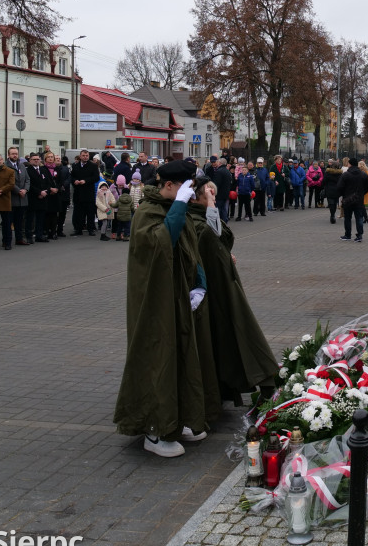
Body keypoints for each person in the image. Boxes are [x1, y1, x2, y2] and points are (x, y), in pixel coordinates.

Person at [113, 160, 219, 458]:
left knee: (182, 356)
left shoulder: (176, 207)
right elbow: (161, 243)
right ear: (170, 185)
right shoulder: (148, 211)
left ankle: (179, 418)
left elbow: (191, 247)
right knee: (157, 357)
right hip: (154, 301)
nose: (189, 192)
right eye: (185, 187)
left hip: (178, 296)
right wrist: (179, 207)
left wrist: (199, 283)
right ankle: (154, 429)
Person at [188, 182, 278, 403]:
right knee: (237, 333)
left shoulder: (200, 216)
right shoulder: (194, 219)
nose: (213, 198)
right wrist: (210, 206)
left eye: (214, 194)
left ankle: (256, 385)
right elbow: (211, 235)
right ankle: (263, 384)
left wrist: (224, 253)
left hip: (222, 285)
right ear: (195, 198)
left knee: (232, 334)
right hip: (213, 289)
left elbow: (219, 238)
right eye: (208, 194)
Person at [338, 158, 368, 242]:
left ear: (350, 164)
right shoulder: (363, 174)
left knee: (347, 218)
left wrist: (344, 194)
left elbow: (340, 187)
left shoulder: (345, 175)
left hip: (348, 199)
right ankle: (359, 235)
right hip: (359, 199)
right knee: (359, 217)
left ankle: (347, 235)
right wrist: (361, 193)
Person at [70, 149, 100, 235]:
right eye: (83, 155)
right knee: (79, 212)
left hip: (88, 192)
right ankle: (78, 229)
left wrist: (86, 181)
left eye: (87, 156)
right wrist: (74, 181)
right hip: (78, 192)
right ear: (80, 156)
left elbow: (96, 178)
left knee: (90, 212)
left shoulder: (93, 166)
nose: (85, 157)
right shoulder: (75, 166)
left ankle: (91, 229)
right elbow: (71, 177)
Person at [54, 155, 72, 237]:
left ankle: (60, 230)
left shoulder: (65, 169)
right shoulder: (51, 169)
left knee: (62, 213)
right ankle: (52, 229)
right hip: (54, 194)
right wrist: (58, 186)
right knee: (54, 214)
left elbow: (69, 178)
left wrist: (63, 185)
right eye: (56, 159)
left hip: (64, 194)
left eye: (59, 159)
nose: (58, 160)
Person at [322, 159, 342, 224]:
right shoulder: (340, 174)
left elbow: (324, 181)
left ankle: (332, 215)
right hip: (337, 190)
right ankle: (333, 215)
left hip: (329, 190)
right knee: (335, 203)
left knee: (331, 203)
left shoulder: (328, 173)